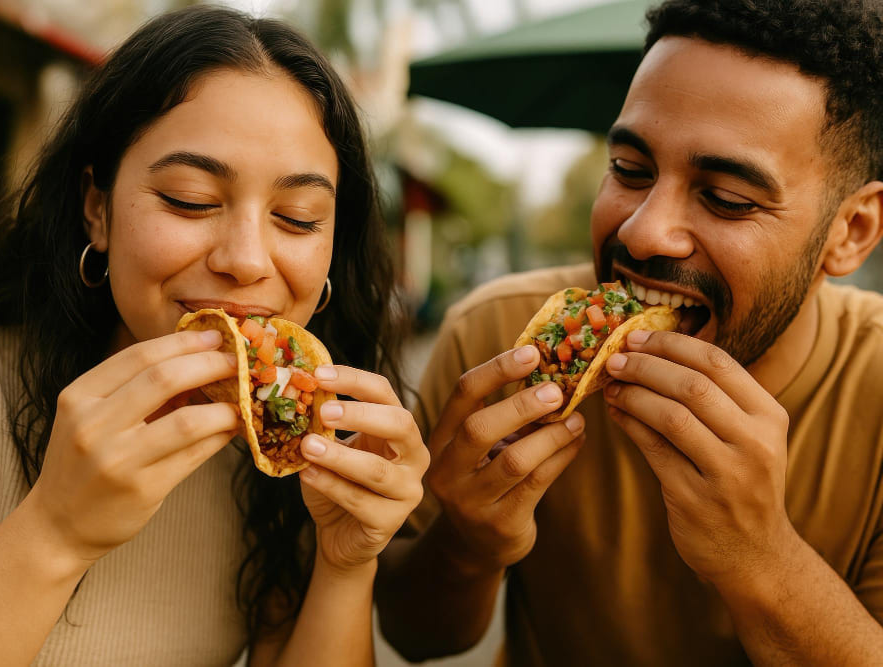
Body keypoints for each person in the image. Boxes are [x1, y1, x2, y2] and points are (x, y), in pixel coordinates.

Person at [0, 6, 428, 666]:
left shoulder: (293, 436)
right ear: (97, 208)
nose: (247, 260)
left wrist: (346, 561)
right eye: (192, 199)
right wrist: (56, 530)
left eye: (297, 216)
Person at [377, 0, 883, 664]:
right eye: (630, 170)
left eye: (726, 198)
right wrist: (467, 545)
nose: (643, 230)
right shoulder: (499, 342)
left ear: (852, 233)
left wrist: (761, 556)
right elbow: (415, 635)